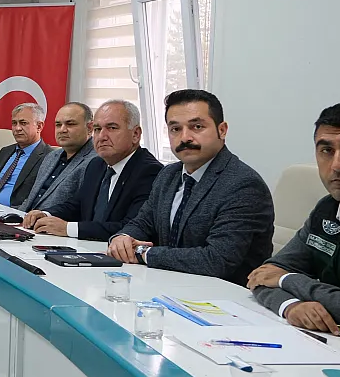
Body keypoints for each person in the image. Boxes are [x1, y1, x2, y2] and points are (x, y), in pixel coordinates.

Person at [107, 89, 273, 283]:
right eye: (175, 129)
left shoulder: (243, 185)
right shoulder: (168, 174)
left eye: (197, 127)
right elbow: (143, 222)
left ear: (222, 130)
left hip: (222, 295)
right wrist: (122, 238)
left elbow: (217, 260)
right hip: (168, 285)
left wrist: (145, 253)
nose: (185, 137)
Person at [247, 102, 340, 337]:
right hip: (338, 344)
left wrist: (288, 281)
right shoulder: (327, 208)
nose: (338, 165)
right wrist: (290, 306)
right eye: (326, 150)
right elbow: (263, 276)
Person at [22, 100, 163, 240]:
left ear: (136, 134)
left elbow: (131, 227)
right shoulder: (96, 164)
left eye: (112, 128)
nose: (101, 137)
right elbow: (77, 205)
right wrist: (46, 214)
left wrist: (68, 228)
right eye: (97, 129)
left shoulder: (150, 171)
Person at [18, 102, 96, 212]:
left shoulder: (96, 161)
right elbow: (31, 198)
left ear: (90, 128)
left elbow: (81, 208)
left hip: (53, 221)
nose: (62, 130)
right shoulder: (51, 156)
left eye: (70, 124)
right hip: (24, 218)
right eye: (58, 125)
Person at [0, 103, 53, 207]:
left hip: (14, 213)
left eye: (23, 123)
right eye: (14, 123)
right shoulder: (5, 151)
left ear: (39, 126)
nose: (17, 128)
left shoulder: (50, 157)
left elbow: (42, 200)